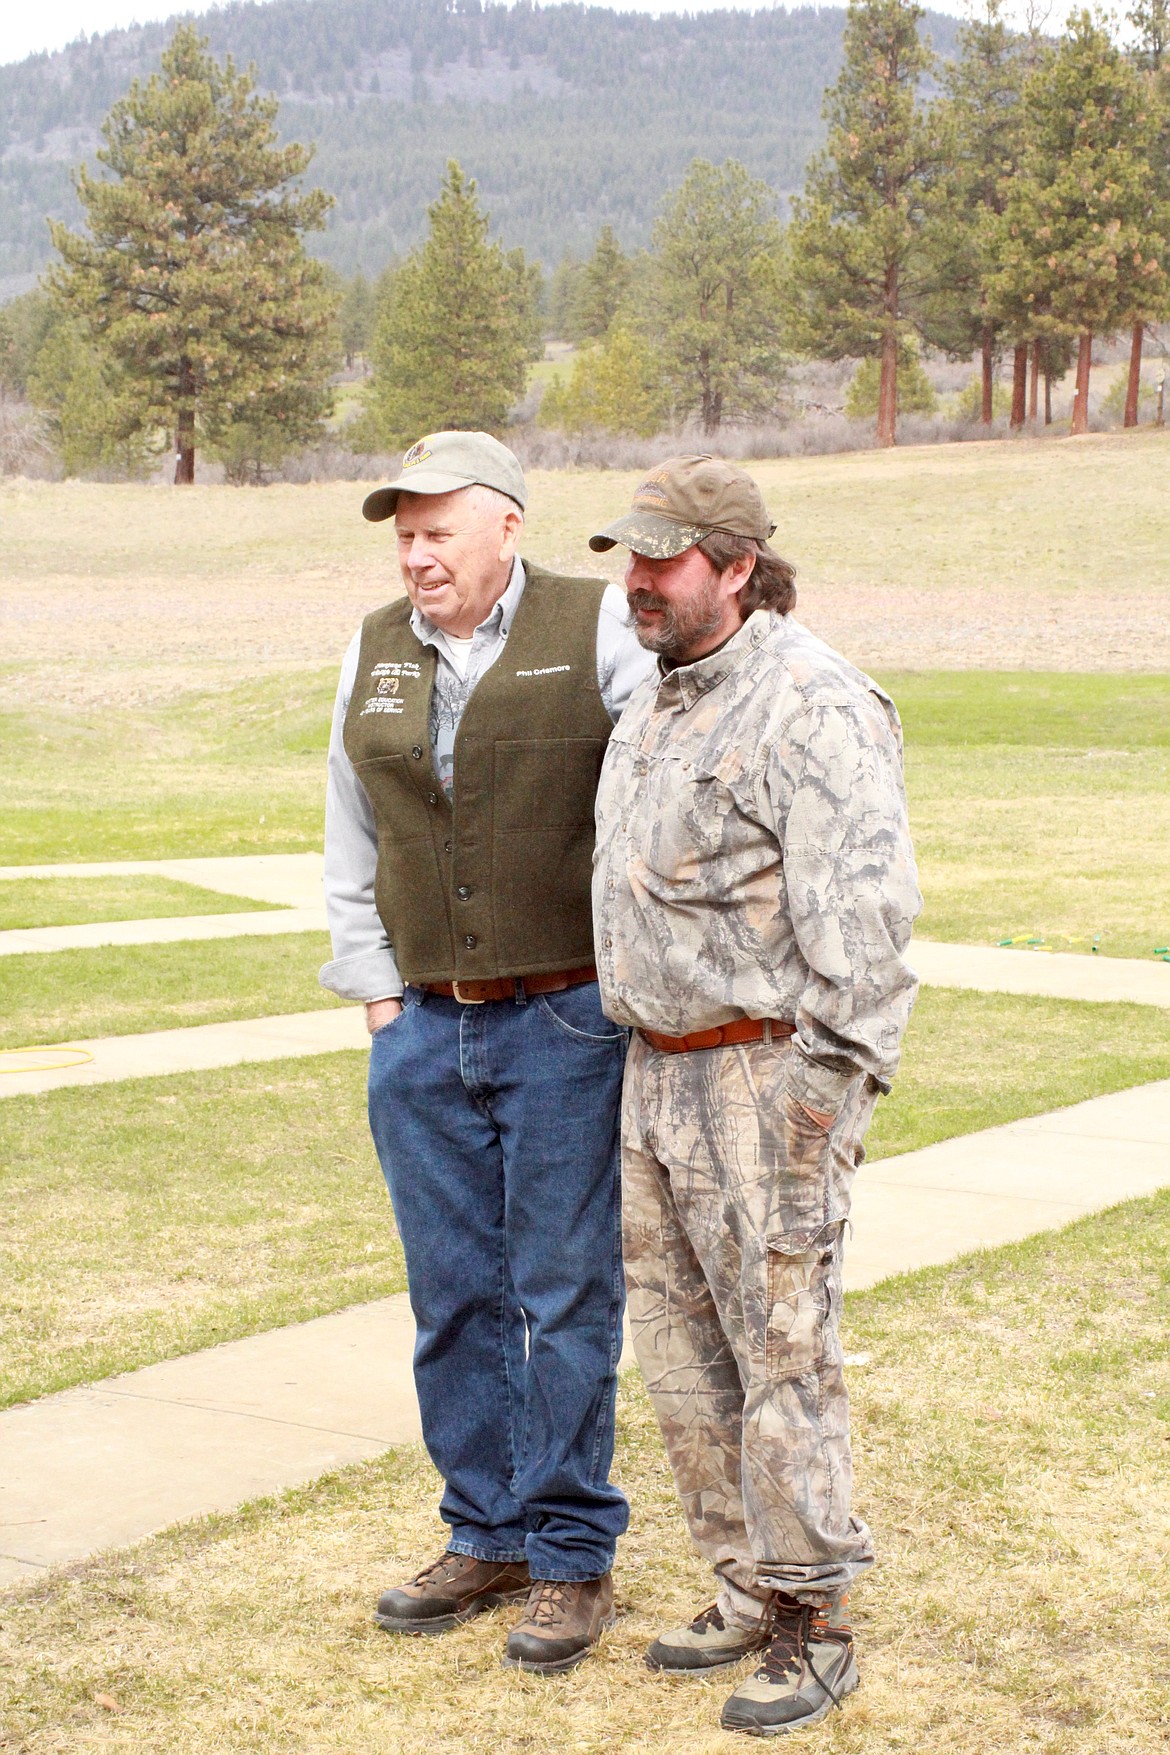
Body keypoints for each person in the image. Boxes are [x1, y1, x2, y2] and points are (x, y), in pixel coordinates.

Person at [589, 456, 921, 1736]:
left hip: (762, 1073)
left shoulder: (815, 704)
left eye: (665, 559)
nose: (640, 581)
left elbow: (872, 935)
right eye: (632, 557)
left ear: (737, 565)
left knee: (784, 1354)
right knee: (680, 1354)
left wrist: (819, 1105)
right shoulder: (661, 701)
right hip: (654, 1074)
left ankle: (814, 1616)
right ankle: (742, 1584)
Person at [320, 430, 655, 1673]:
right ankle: (486, 1529)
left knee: (566, 1296)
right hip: (419, 1023)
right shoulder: (372, 647)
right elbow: (348, 823)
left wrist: (631, 968)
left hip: (563, 1015)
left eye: (438, 530)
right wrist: (372, 989)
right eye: (404, 535)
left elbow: (661, 787)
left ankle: (570, 1555)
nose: (417, 556)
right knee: (452, 1294)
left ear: (508, 526)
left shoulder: (600, 622)